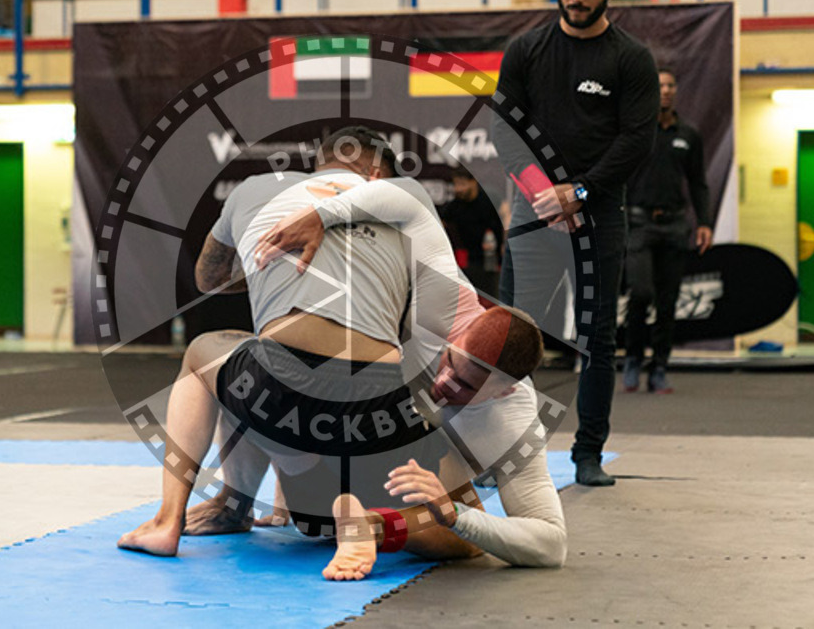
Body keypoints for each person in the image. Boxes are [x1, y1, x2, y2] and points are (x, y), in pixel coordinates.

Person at [118, 126, 479, 578]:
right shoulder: (405, 197)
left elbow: (208, 279)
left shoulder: (255, 190)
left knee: (210, 354)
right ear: (375, 172)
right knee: (468, 531)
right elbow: (430, 316)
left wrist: (269, 264)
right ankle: (373, 524)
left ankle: (175, 519)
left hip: (279, 397)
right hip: (380, 401)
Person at [185, 172, 568, 571]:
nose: (443, 383)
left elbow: (551, 544)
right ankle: (239, 500)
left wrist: (455, 513)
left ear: (505, 392)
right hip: (354, 439)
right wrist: (322, 215)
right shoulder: (440, 298)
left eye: (467, 387)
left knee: (462, 542)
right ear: (463, 332)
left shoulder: (513, 419)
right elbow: (408, 199)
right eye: (450, 362)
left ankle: (370, 525)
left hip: (409, 478)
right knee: (260, 364)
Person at [493, 0, 659, 487]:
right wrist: (546, 195)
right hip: (535, 211)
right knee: (513, 336)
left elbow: (637, 140)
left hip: (598, 215)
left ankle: (588, 452)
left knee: (597, 339)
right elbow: (506, 132)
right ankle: (503, 452)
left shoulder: (630, 58)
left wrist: (579, 194)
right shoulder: (527, 50)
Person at [623, 67, 712, 394]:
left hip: (675, 224)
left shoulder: (688, 134)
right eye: (659, 85)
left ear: (676, 91)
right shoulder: (635, 131)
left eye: (670, 85)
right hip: (639, 223)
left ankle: (659, 367)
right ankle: (632, 358)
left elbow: (699, 183)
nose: (665, 90)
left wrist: (704, 222)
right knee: (641, 292)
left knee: (667, 301)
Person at [438, 171, 505, 298]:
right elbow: (439, 223)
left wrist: (505, 244)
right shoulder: (455, 206)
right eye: (456, 184)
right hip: (470, 262)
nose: (458, 189)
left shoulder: (489, 199)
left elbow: (506, 215)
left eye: (462, 184)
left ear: (473, 182)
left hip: (493, 260)